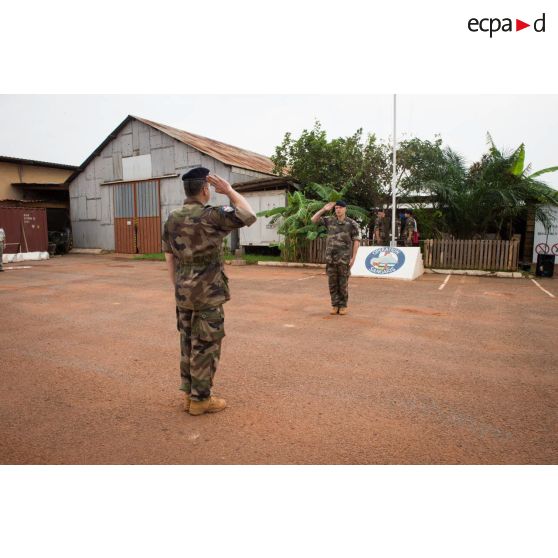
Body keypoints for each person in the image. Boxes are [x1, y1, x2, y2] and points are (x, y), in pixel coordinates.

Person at [163, 167, 257, 416]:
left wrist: (178, 286)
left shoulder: (172, 218)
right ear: (205, 189)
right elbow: (249, 214)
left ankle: (188, 395)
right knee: (206, 346)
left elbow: (169, 256)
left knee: (187, 343)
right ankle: (201, 400)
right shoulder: (212, 216)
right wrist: (229, 190)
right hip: (208, 293)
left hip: (183, 293)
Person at [311, 200, 360, 315]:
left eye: (340, 208)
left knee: (343, 283)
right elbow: (313, 220)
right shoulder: (330, 220)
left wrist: (353, 258)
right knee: (332, 284)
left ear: (345, 209)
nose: (338, 210)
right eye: (336, 208)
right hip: (331, 259)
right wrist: (324, 209)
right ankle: (334, 305)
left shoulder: (351, 223)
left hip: (344, 259)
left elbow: (356, 241)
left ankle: (343, 306)